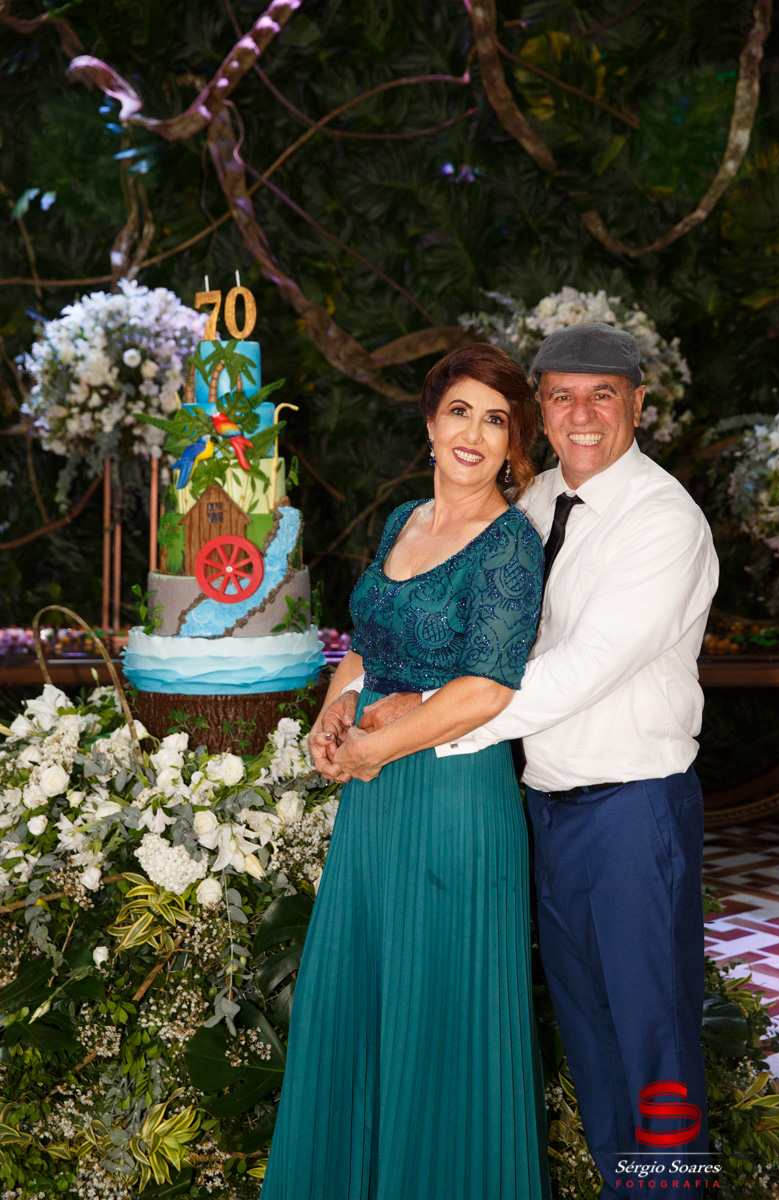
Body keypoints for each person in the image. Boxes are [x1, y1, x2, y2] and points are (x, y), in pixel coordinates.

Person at [324, 323, 719, 1198]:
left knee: (653, 1048)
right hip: (542, 806)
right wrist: (366, 692)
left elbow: (577, 669)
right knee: (591, 1046)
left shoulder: (663, 521)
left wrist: (423, 720)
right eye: (562, 395)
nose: (582, 413)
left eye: (603, 394)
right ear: (541, 409)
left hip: (632, 811)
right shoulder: (534, 503)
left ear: (637, 403)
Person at [261, 344, 552, 1200]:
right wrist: (335, 712)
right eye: (460, 411)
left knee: (438, 1017)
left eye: (495, 420)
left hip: (453, 804)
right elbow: (369, 644)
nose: (474, 434)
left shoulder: (509, 545)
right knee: (357, 1003)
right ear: (429, 424)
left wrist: (374, 749)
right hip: (373, 807)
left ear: (513, 443)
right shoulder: (402, 522)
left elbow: (488, 687)